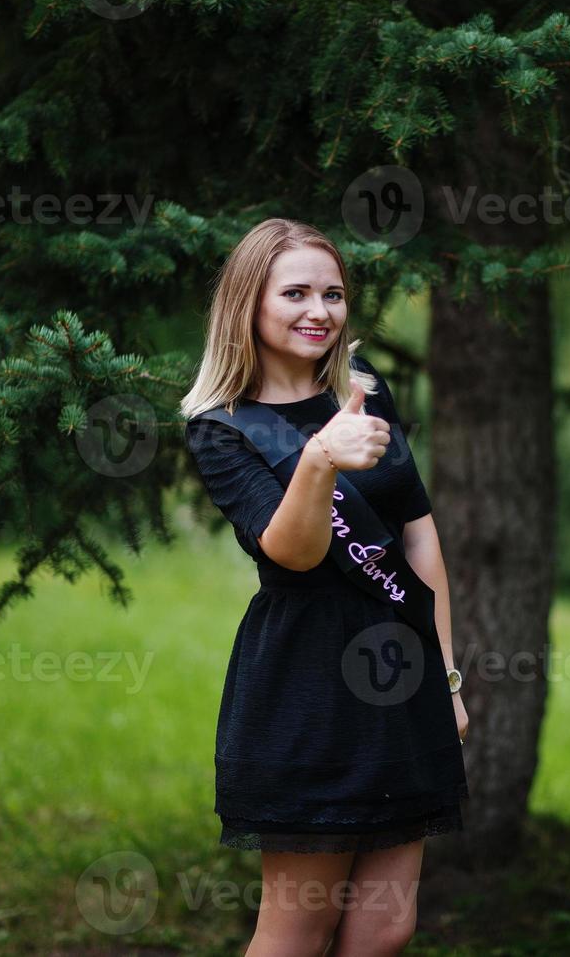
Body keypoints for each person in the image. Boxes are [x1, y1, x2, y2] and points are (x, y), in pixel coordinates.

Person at [181, 218, 470, 956]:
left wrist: (447, 677)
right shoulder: (222, 429)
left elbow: (417, 533)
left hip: (401, 678)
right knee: (299, 925)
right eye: (296, 292)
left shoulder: (367, 396)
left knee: (385, 927)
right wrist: (318, 459)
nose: (319, 310)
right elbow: (293, 554)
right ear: (248, 303)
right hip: (304, 686)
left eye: (333, 294)